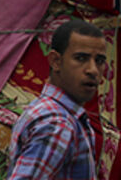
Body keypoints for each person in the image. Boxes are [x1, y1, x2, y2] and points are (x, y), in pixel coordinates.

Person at [8, 18, 107, 179]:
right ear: (55, 61)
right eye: (81, 58)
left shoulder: (49, 111)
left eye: (100, 61)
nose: (93, 70)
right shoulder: (57, 123)